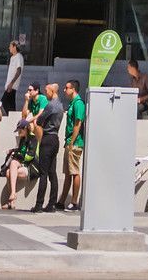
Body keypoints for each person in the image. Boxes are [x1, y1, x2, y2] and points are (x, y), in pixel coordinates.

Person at [32, 82, 65, 212]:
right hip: (55, 138)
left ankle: (39, 204)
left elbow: (39, 121)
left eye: (47, 91)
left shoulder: (50, 106)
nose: (45, 94)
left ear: (53, 91)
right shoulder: (60, 105)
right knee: (52, 172)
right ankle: (52, 204)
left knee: (43, 173)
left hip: (47, 138)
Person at [0, 105, 37, 209]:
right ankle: (12, 200)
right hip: (22, 165)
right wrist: (13, 151)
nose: (18, 133)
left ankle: (12, 196)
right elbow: (20, 151)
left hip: (30, 167)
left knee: (13, 163)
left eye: (20, 131)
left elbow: (30, 156)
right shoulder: (22, 139)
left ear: (25, 129)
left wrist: (18, 156)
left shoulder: (33, 139)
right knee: (8, 172)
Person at [63, 79, 87, 211]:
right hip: (69, 141)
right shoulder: (72, 103)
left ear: (73, 89)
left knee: (74, 172)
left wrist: (72, 141)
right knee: (68, 172)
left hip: (75, 143)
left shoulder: (78, 103)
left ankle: (74, 201)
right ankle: (62, 200)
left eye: (67, 88)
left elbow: (78, 124)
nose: (65, 90)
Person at [3, 41, 25, 114]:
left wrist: (11, 83)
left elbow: (19, 70)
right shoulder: (12, 57)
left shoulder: (18, 56)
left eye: (10, 46)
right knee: (11, 103)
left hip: (12, 85)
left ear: (14, 47)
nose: (9, 48)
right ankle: (13, 118)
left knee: (4, 101)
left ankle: (12, 118)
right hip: (10, 84)